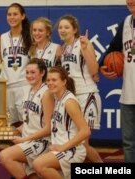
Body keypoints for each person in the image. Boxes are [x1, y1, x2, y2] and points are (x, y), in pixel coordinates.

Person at [57, 14, 103, 163]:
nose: (62, 30)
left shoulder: (83, 43)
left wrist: (86, 50)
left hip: (87, 95)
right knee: (78, 145)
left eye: (66, 27)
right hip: (72, 98)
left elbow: (95, 70)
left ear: (75, 29)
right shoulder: (63, 49)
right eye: (60, 27)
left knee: (82, 143)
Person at [0, 58, 53, 179]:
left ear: (42, 73)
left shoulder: (46, 93)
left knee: (5, 155)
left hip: (41, 142)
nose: (29, 75)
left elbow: (49, 128)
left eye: (33, 72)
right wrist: (13, 130)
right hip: (28, 139)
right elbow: (29, 121)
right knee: (33, 175)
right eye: (27, 72)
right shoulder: (28, 90)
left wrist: (25, 139)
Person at [33, 66, 91, 179]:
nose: (50, 83)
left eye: (54, 80)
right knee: (40, 170)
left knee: (39, 164)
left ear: (64, 81)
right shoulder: (58, 99)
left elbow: (85, 131)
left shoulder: (69, 102)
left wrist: (63, 147)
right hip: (62, 148)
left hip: (72, 150)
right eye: (48, 80)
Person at [99, 0, 135, 163]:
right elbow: (113, 48)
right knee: (128, 143)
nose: (130, 1)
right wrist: (102, 65)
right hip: (128, 93)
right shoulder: (126, 23)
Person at [0, 3, 32, 126]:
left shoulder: (30, 36)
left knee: (27, 123)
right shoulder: (3, 37)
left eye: (15, 14)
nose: (12, 17)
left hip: (25, 85)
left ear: (23, 16)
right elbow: (0, 63)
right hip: (7, 86)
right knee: (11, 124)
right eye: (9, 14)